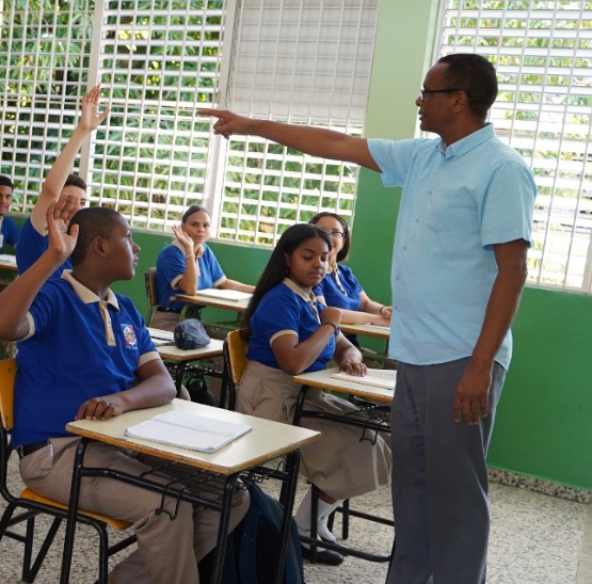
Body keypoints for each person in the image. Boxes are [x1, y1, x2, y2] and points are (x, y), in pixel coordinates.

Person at [202, 52, 536, 584]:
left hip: (461, 358)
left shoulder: (501, 169)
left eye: (428, 92)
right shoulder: (427, 157)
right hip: (416, 353)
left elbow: (511, 271)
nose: (418, 101)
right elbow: (339, 144)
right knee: (414, 493)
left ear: (459, 99)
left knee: (456, 501)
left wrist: (480, 365)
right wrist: (252, 126)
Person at [0, 204, 248, 584]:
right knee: (168, 502)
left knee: (229, 496)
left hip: (120, 443)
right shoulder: (55, 296)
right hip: (58, 452)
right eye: (128, 237)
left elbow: (163, 384)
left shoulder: (124, 309)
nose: (137, 248)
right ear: (101, 247)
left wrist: (122, 400)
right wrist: (53, 257)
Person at [235, 223, 392, 565]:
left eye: (324, 257)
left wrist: (349, 354)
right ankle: (305, 526)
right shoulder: (280, 298)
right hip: (272, 400)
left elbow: (342, 345)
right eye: (308, 256)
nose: (318, 264)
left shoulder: (312, 295)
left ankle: (309, 522)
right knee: (362, 446)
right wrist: (329, 325)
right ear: (287, 257)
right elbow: (292, 361)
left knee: (378, 438)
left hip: (305, 394)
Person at [15, 87, 106, 277]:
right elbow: (50, 191)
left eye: (82, 203)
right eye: (69, 199)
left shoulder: (79, 243)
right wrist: (82, 131)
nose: (75, 207)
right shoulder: (41, 232)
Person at [151, 204, 255, 331]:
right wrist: (189, 249)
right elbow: (190, 289)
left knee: (230, 340)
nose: (201, 229)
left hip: (194, 321)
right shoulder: (171, 253)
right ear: (182, 227)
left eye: (206, 225)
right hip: (170, 320)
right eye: (194, 225)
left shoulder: (205, 251)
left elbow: (224, 283)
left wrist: (258, 290)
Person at [308, 212, 392, 328]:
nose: (328, 237)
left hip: (349, 343)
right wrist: (374, 319)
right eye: (321, 232)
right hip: (327, 342)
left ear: (344, 241)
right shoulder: (311, 273)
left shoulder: (345, 273)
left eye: (335, 233)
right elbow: (324, 312)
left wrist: (384, 311)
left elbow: (365, 304)